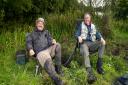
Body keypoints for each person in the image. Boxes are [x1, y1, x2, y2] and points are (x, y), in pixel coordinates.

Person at [26, 18, 63, 85]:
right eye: (39, 23)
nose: (40, 24)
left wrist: (52, 41)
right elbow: (29, 42)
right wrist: (30, 49)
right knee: (47, 59)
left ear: (43, 25)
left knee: (58, 45)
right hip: (40, 52)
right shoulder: (31, 34)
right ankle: (56, 79)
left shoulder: (46, 32)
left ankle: (58, 68)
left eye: (42, 23)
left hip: (48, 49)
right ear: (36, 24)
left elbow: (50, 40)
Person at [75, 13, 106, 83]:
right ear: (84, 19)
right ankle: (89, 72)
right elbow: (76, 33)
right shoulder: (81, 25)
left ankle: (99, 67)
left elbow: (97, 34)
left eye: (88, 18)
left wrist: (102, 39)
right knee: (85, 50)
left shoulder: (93, 26)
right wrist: (78, 37)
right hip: (84, 43)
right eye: (85, 18)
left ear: (90, 18)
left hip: (92, 43)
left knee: (102, 43)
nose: (86, 19)